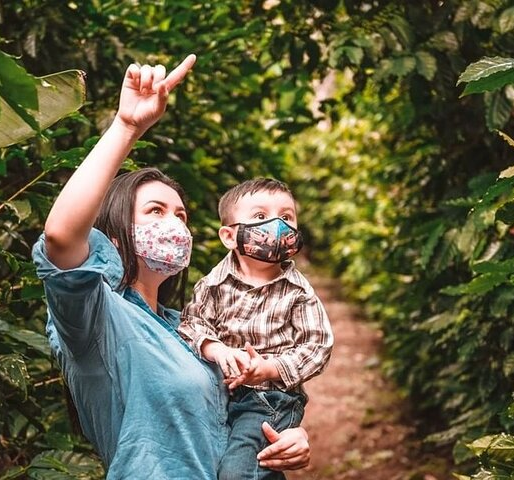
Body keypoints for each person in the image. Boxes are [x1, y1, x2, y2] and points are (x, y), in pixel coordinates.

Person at [31, 54, 311, 480]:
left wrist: (290, 437)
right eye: (156, 211)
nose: (174, 224)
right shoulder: (98, 319)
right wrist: (126, 127)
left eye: (181, 215)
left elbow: (245, 417)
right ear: (114, 228)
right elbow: (61, 238)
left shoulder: (190, 328)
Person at [178, 178, 334, 480]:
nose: (277, 224)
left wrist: (270, 368)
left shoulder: (297, 291)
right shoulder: (213, 284)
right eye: (261, 217)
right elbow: (191, 323)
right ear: (229, 236)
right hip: (221, 396)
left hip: (270, 400)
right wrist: (216, 348)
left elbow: (318, 345)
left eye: (286, 217)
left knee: (238, 472)